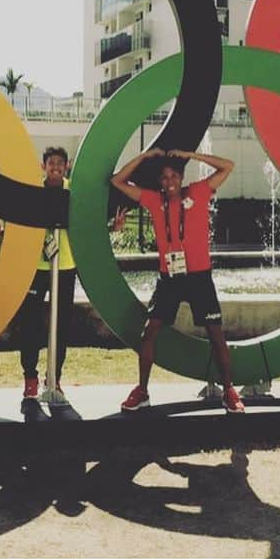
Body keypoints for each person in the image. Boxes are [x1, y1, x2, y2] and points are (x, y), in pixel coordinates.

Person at [110, 146, 245, 414]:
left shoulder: (198, 191)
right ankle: (142, 391)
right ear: (159, 182)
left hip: (199, 278)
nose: (169, 181)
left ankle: (229, 390)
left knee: (216, 335)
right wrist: (144, 157)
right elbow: (117, 181)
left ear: (182, 177)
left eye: (174, 176)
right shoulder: (153, 200)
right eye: (164, 177)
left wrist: (192, 156)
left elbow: (228, 164)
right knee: (148, 333)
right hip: (169, 278)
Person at [0, 146, 127, 400]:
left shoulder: (74, 191)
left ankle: (55, 378)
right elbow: (21, 226)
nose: (55, 167)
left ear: (66, 167)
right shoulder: (33, 191)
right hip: (35, 267)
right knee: (29, 323)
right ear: (43, 166)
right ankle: (30, 377)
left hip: (65, 267)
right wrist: (0, 232)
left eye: (60, 164)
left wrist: (112, 228)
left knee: (61, 325)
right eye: (51, 163)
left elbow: (87, 225)